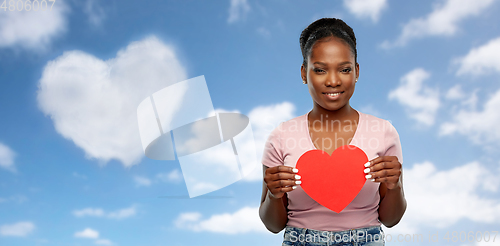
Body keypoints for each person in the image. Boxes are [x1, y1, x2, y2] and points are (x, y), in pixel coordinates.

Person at [259, 18, 406, 246]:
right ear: (304, 73)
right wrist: (273, 195)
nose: (333, 81)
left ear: (356, 71)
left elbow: (391, 219)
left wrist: (394, 186)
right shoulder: (280, 136)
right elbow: (273, 225)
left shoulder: (384, 132)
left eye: (344, 69)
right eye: (320, 70)